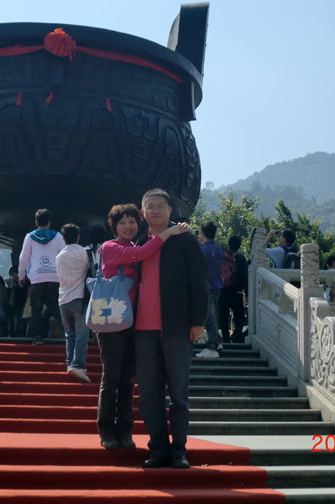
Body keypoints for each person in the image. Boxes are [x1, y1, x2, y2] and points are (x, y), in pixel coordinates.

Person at [96, 204, 189, 450]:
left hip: (135, 321)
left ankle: (125, 431)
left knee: (128, 378)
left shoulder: (136, 246)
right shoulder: (110, 247)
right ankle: (107, 431)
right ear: (114, 226)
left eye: (132, 222)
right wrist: (167, 232)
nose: (128, 226)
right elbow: (141, 254)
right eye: (122, 222)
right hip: (112, 320)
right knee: (111, 376)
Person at [135, 189, 208, 469]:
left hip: (176, 327)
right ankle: (158, 449)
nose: (154, 210)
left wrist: (198, 321)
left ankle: (178, 450)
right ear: (143, 212)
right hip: (142, 331)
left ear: (169, 210)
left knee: (178, 394)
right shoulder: (139, 243)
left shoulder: (185, 240)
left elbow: (199, 281)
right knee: (149, 394)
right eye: (149, 206)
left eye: (159, 206)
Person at [18, 208, 65, 345]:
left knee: (36, 309)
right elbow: (64, 255)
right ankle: (64, 331)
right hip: (54, 277)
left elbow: (23, 257)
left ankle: (37, 337)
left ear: (36, 222)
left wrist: (21, 275)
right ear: (50, 222)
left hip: (36, 278)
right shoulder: (58, 236)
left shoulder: (30, 237)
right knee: (55, 306)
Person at [56, 224, 91, 383]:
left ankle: (70, 362)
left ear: (63, 239)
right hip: (79, 297)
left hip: (63, 299)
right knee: (81, 334)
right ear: (78, 237)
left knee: (69, 334)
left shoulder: (59, 256)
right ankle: (78, 365)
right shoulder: (83, 252)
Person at [196, 221, 223, 359]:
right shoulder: (218, 249)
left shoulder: (201, 250)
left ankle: (212, 346)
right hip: (217, 286)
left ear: (202, 233)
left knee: (209, 318)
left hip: (206, 287)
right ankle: (217, 340)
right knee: (210, 315)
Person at [218, 235, 248, 344]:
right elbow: (244, 276)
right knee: (239, 317)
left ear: (228, 244)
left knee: (223, 317)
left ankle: (226, 339)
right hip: (236, 292)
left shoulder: (222, 256)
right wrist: (247, 292)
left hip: (222, 291)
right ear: (239, 246)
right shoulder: (240, 258)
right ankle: (236, 337)